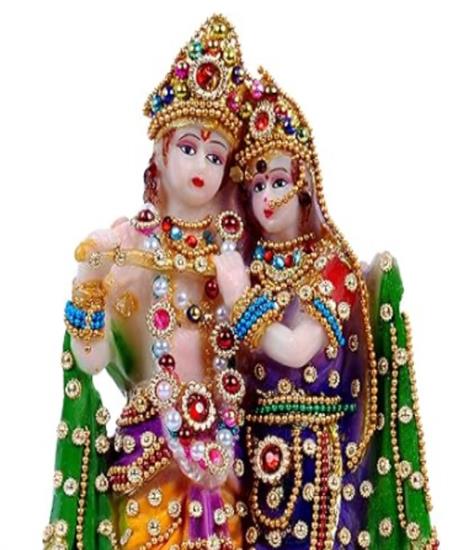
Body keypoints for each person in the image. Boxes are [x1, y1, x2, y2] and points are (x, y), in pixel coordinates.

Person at [44, 15, 251, 550]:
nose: (201, 164)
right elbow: (91, 359)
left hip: (224, 453)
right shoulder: (129, 247)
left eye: (215, 155)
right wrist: (89, 280)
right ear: (161, 149)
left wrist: (242, 299)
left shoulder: (234, 258)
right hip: (148, 450)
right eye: (189, 147)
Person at [214, 68, 438, 549]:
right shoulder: (251, 263)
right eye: (256, 186)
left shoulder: (330, 263)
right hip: (254, 447)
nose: (266, 197)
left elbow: (296, 349)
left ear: (304, 185)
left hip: (316, 454)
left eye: (277, 181)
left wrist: (240, 301)